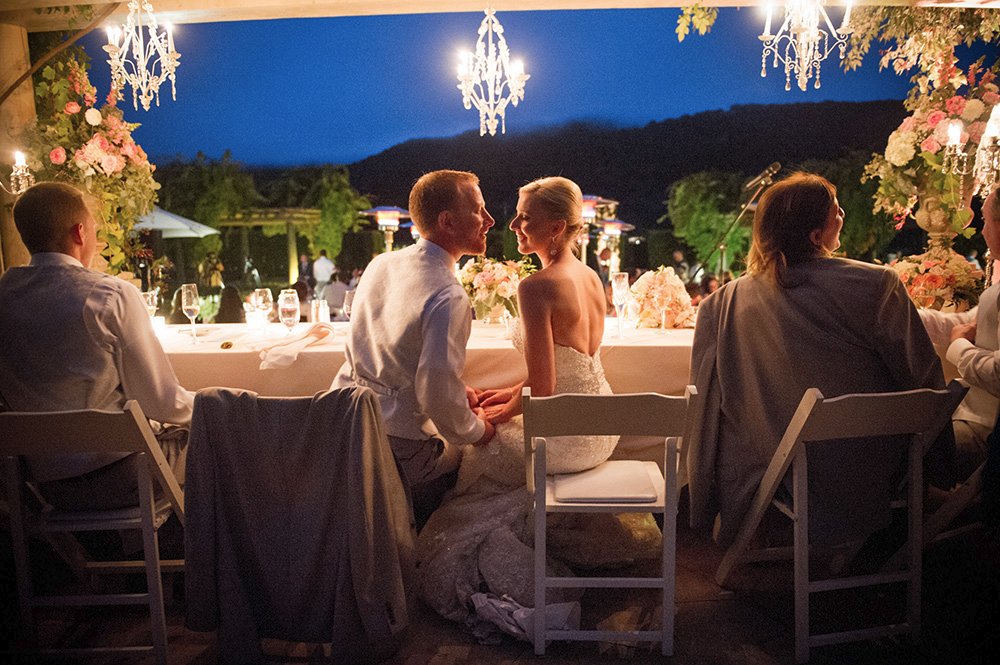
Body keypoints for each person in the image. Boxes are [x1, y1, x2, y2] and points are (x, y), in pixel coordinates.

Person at [416, 177, 660, 634]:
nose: (513, 225)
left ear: (556, 227)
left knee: (473, 453)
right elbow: (573, 367)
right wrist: (509, 394)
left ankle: (522, 557)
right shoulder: (589, 276)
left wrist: (493, 418)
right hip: (601, 427)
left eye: (525, 217)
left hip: (565, 433)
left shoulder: (537, 287)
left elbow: (545, 392)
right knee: (492, 443)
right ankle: (548, 534)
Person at [686, 173, 953, 550]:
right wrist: (941, 468)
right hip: (866, 473)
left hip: (769, 471)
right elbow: (923, 378)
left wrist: (702, 499)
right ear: (815, 236)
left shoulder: (720, 304)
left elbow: (705, 409)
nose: (843, 214)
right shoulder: (877, 286)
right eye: (836, 210)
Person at [0, 182, 194, 510]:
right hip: (125, 478)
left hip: (42, 489)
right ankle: (218, 552)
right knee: (224, 436)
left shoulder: (4, 296)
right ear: (80, 232)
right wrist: (220, 409)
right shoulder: (107, 295)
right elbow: (162, 402)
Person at [332, 170, 496, 528]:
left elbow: (389, 350)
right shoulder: (447, 295)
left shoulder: (382, 263)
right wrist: (480, 431)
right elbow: (437, 397)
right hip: (396, 452)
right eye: (479, 211)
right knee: (479, 466)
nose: (489, 220)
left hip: (343, 427)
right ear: (447, 222)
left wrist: (453, 393)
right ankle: (419, 550)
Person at [918, 189, 1000, 479]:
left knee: (901, 451)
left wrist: (959, 348)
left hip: (983, 428)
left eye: (987, 221)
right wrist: (900, 312)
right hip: (970, 418)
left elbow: (998, 372)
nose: (983, 229)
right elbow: (964, 324)